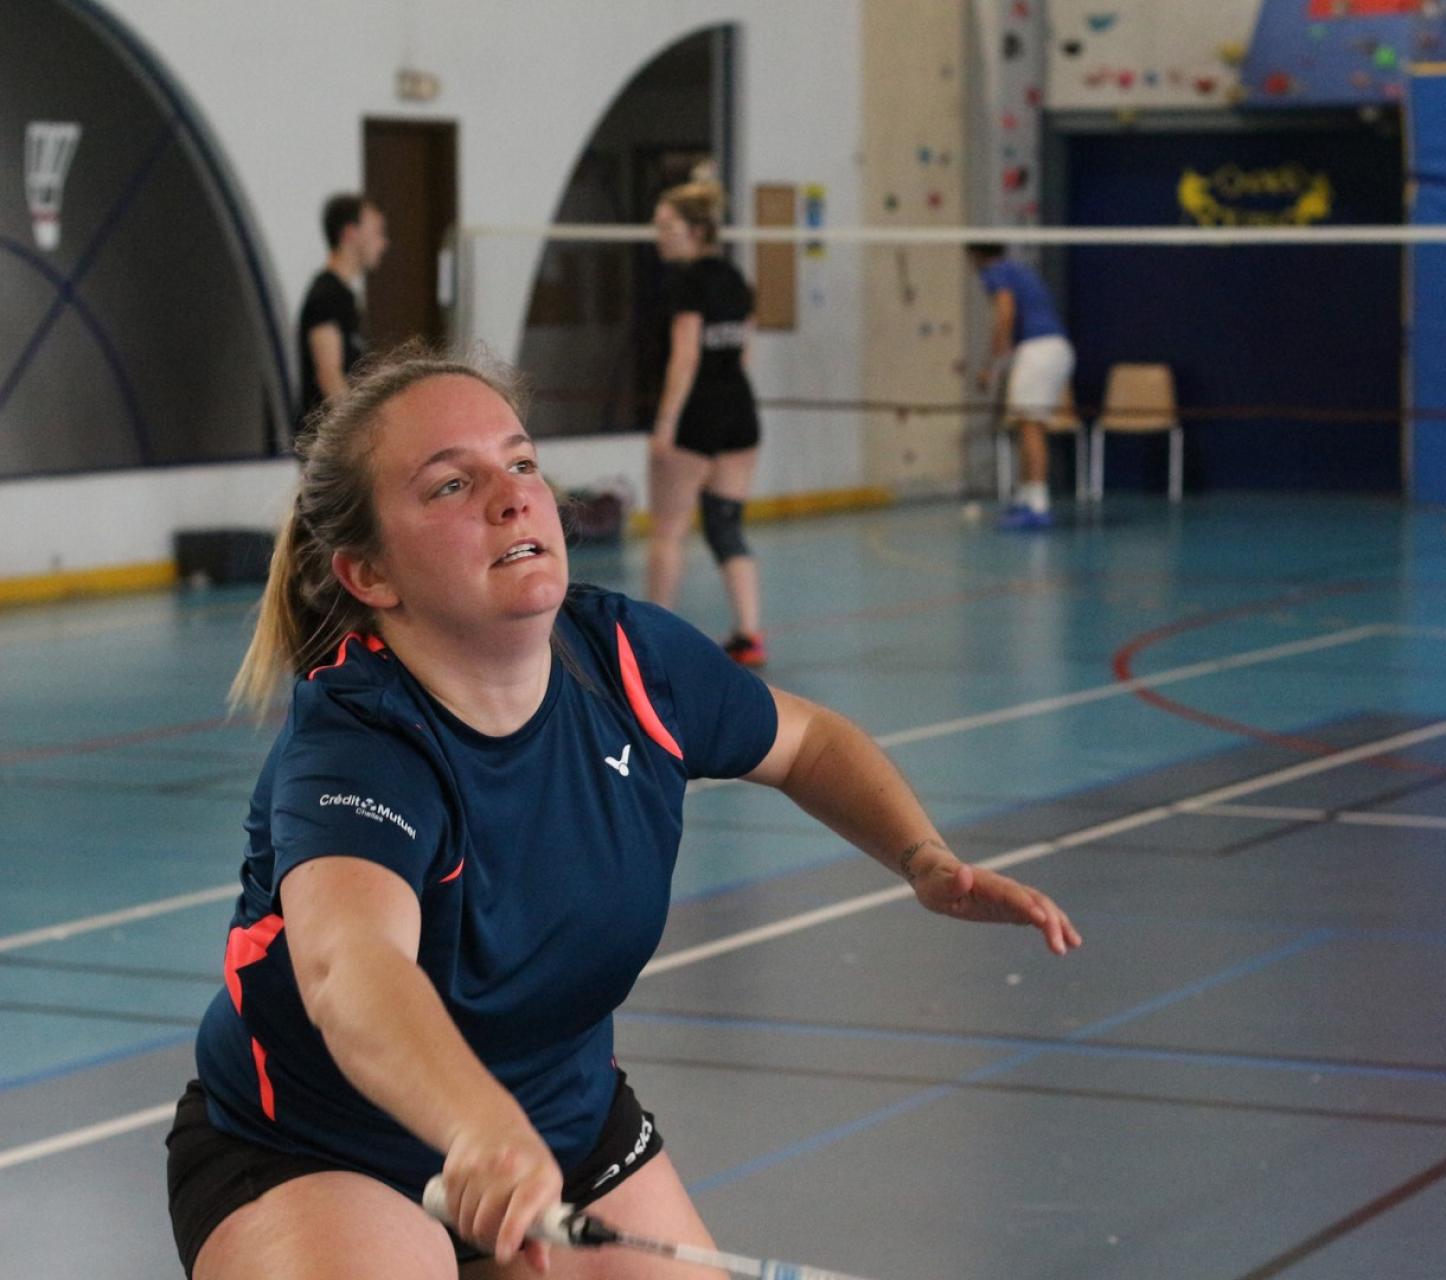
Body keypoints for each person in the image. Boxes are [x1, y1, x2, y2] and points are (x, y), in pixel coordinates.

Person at [166, 344, 1080, 1279]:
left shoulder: (627, 663)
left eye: (522, 462)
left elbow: (806, 742)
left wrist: (921, 858)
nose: (513, 498)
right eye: (451, 485)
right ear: (369, 575)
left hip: (557, 1128)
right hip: (318, 1151)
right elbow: (350, 968)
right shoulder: (358, 744)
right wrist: (478, 1128)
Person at [643, 181, 766, 667]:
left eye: (667, 227)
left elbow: (686, 357)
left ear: (695, 230)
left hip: (695, 416)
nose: (659, 236)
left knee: (668, 530)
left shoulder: (687, 283)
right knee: (725, 527)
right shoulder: (736, 279)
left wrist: (666, 424)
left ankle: (650, 640)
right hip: (739, 411)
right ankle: (749, 634)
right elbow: (744, 351)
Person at [966, 243, 1075, 532]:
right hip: (1056, 349)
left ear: (976, 257)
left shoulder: (995, 272)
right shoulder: (1020, 271)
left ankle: (1037, 506)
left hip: (1038, 350)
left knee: (1030, 426)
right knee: (1029, 426)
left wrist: (991, 367)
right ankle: (1026, 498)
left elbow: (1005, 314)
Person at [296, 193, 388, 428]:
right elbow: (329, 375)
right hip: (323, 439)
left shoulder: (344, 297)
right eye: (376, 232)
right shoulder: (327, 297)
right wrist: (358, 431)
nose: (383, 244)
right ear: (349, 233)